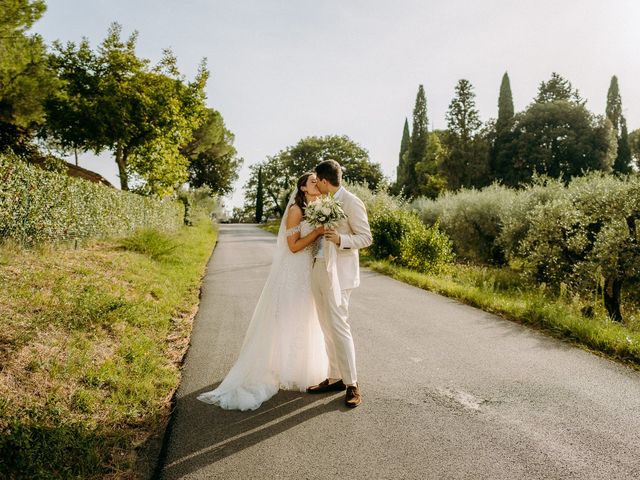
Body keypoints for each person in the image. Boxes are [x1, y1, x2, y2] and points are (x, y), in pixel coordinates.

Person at [197, 172, 328, 411]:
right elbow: (294, 246)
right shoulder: (296, 211)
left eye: (318, 181)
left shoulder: (318, 207)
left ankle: (298, 368)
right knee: (285, 319)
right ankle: (278, 368)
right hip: (293, 271)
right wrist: (317, 232)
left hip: (307, 272)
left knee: (303, 317)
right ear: (302, 187)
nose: (317, 183)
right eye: (312, 181)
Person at [307, 159, 372, 408]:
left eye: (318, 181)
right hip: (319, 269)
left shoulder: (352, 202)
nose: (317, 185)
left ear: (324, 181)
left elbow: (366, 238)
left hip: (341, 274)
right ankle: (335, 377)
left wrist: (340, 239)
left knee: (339, 325)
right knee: (325, 324)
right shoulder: (322, 202)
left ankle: (353, 383)